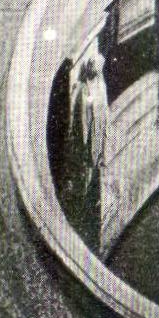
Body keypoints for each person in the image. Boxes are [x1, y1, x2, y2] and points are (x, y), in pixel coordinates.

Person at [67, 54, 108, 245]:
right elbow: (76, 119)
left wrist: (103, 149)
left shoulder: (101, 87)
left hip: (96, 138)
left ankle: (84, 203)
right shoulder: (81, 89)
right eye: (93, 68)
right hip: (83, 142)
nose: (95, 71)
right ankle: (78, 205)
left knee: (91, 175)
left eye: (98, 69)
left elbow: (104, 116)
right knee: (82, 175)